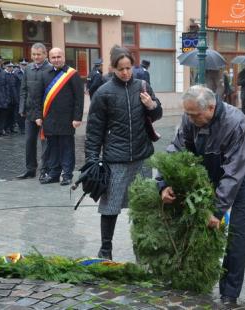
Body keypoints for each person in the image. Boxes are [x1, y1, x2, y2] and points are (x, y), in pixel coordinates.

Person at [159, 85, 245, 306]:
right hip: (213, 166)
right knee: (197, 219)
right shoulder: (191, 117)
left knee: (236, 229)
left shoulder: (236, 123)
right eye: (187, 114)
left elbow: (234, 172)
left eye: (194, 115)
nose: (190, 118)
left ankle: (230, 293)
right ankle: (196, 276)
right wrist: (163, 183)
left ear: (211, 108)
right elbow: (176, 149)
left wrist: (216, 211)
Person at [85, 46, 162, 260]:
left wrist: (151, 105)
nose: (126, 73)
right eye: (121, 69)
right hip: (115, 159)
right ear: (113, 68)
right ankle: (106, 249)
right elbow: (94, 131)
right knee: (110, 205)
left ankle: (141, 247)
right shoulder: (104, 92)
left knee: (141, 206)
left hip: (142, 157)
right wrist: (92, 160)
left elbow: (157, 114)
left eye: (128, 68)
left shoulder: (143, 85)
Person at [37, 48, 84, 186]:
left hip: (67, 119)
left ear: (63, 57)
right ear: (49, 59)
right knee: (52, 148)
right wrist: (39, 116)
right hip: (50, 119)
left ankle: (67, 175)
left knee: (67, 147)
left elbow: (79, 98)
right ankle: (54, 174)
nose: (56, 59)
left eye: (59, 56)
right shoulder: (45, 74)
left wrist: (77, 117)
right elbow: (40, 98)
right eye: (53, 57)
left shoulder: (72, 74)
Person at [17, 43, 52, 181]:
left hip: (45, 113)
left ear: (45, 54)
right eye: (33, 54)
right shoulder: (28, 69)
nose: (36, 57)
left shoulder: (50, 69)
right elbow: (23, 90)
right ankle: (30, 169)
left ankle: (45, 169)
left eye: (38, 54)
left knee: (45, 142)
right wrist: (22, 108)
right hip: (30, 113)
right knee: (29, 141)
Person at [15, 58, 29, 134]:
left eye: (25, 64)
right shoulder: (16, 73)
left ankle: (26, 127)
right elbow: (14, 86)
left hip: (28, 95)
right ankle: (22, 128)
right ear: (19, 65)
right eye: (22, 64)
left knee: (27, 112)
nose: (24, 66)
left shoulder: (30, 72)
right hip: (19, 95)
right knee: (20, 112)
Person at [4, 61, 18, 134]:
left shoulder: (14, 75)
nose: (11, 68)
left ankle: (12, 127)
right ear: (5, 67)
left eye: (12, 67)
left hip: (14, 97)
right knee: (6, 115)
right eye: (9, 67)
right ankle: (6, 128)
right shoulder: (4, 74)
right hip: (7, 97)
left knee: (13, 114)